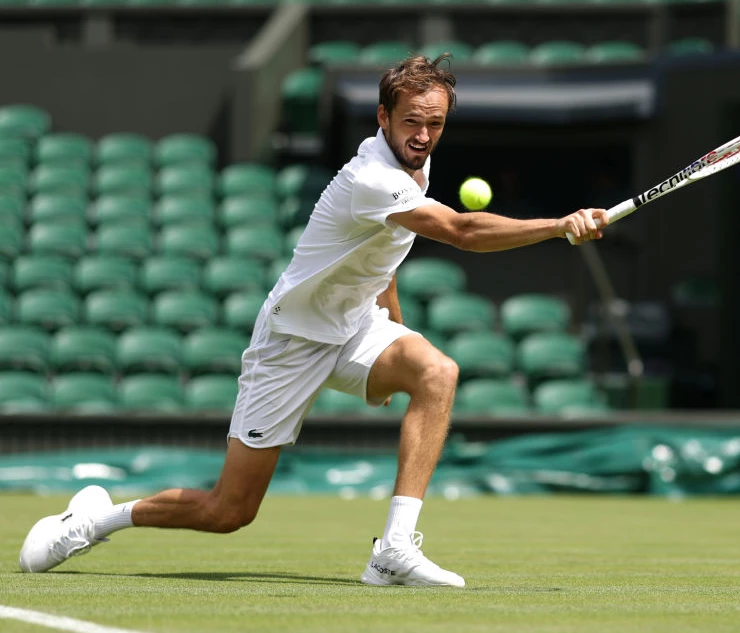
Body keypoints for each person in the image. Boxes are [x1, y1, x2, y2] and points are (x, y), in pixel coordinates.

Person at [18, 54, 608, 587]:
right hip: (291, 342)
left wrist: (393, 333)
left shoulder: (415, 166)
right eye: (412, 123)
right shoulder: (371, 177)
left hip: (355, 326)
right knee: (230, 511)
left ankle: (394, 550)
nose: (424, 136)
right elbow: (461, 231)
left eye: (435, 125)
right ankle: (97, 519)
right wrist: (559, 226)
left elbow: (384, 252)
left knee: (436, 373)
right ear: (383, 116)